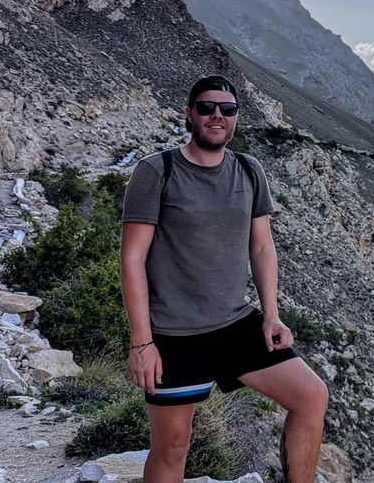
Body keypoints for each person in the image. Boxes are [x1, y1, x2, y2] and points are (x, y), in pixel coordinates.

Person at [120, 74, 329, 482]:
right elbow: (132, 258)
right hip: (174, 333)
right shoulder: (156, 171)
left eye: (227, 109)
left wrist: (271, 315)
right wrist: (141, 342)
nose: (217, 116)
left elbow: (262, 248)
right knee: (173, 446)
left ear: (235, 118)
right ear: (189, 114)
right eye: (207, 108)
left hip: (235, 323)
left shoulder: (249, 171)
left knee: (311, 396)